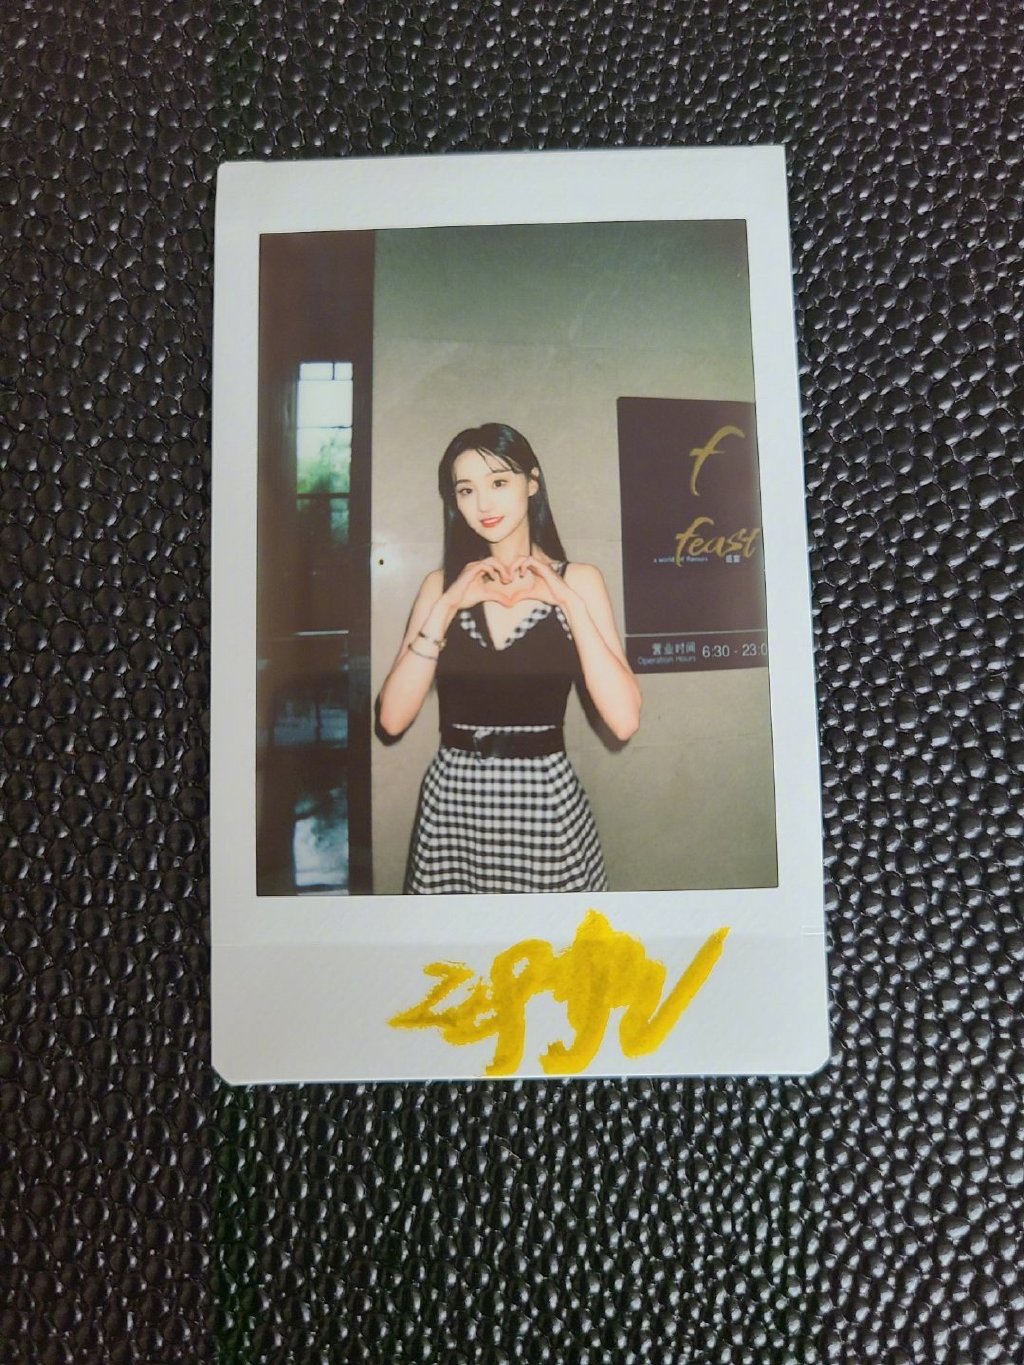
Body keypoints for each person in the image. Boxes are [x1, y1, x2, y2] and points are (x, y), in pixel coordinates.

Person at [378, 422, 641, 894]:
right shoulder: (440, 587)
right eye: (466, 490)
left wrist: (568, 602)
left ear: (532, 483)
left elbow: (623, 722)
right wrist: (445, 608)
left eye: (498, 482)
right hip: (453, 804)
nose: (483, 504)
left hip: (544, 801)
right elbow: (392, 720)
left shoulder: (579, 580)